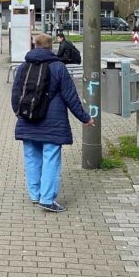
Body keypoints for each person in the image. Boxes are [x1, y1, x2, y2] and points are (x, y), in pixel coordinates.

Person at [11, 33, 95, 213]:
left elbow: (15, 97)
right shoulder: (58, 67)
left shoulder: (23, 67)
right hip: (53, 124)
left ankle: (35, 194)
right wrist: (85, 118)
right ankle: (47, 199)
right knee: (50, 159)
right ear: (51, 47)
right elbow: (71, 97)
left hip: (27, 120)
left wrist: (21, 114)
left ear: (34, 45)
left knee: (31, 158)